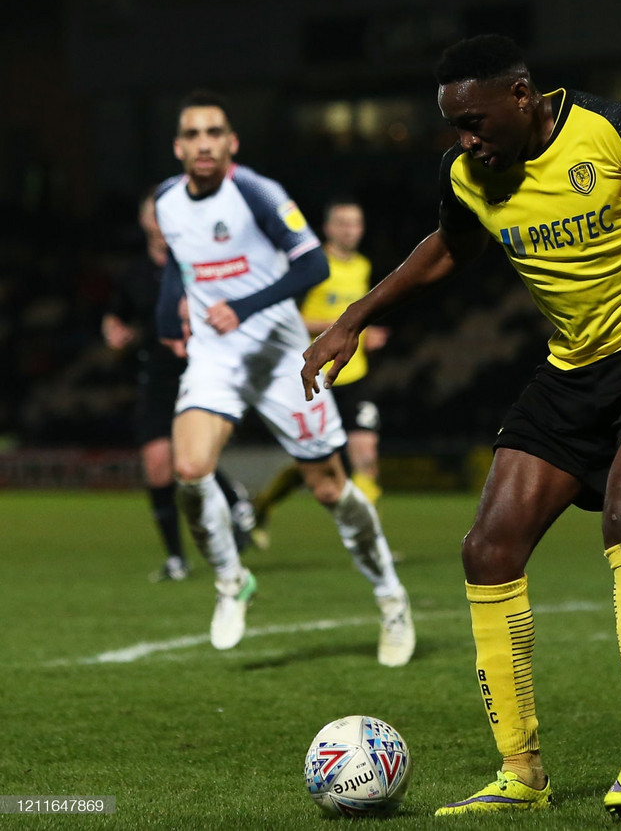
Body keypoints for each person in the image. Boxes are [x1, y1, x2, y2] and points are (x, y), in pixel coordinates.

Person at [300, 35, 621, 816]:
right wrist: (354, 318)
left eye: (474, 119)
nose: (465, 138)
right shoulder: (467, 173)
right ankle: (521, 772)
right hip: (570, 369)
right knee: (486, 548)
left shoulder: (617, 131)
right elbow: (446, 250)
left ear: (523, 94)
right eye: (453, 124)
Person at [154, 91, 415, 667]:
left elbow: (314, 264)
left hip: (279, 358)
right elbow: (178, 262)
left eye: (213, 133)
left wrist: (245, 307)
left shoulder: (257, 193)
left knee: (329, 489)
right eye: (192, 134)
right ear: (178, 146)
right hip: (216, 356)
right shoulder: (168, 201)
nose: (203, 143)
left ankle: (391, 597)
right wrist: (165, 317)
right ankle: (231, 580)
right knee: (190, 470)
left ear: (231, 144)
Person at [102, 190, 256, 581]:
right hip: (154, 374)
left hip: (198, 369)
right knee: (157, 465)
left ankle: (231, 498)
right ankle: (176, 558)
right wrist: (114, 332)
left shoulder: (198, 262)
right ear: (143, 221)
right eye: (152, 212)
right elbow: (116, 316)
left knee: (189, 460)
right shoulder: (134, 273)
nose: (159, 218)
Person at [251, 198, 389, 549]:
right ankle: (262, 506)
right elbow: (285, 317)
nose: (349, 230)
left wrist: (362, 332)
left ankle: (368, 540)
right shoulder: (311, 266)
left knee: (366, 458)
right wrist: (340, 326)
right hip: (313, 376)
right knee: (311, 467)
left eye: (355, 223)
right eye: (342, 223)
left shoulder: (362, 266)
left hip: (355, 376)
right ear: (327, 228)